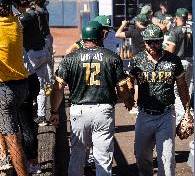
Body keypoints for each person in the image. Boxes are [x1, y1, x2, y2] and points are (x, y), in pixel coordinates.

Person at [50, 21, 134, 176]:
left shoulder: (70, 58)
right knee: (103, 158)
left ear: (84, 37)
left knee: (77, 154)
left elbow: (58, 88)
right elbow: (122, 88)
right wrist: (128, 100)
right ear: (100, 36)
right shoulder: (112, 57)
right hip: (103, 110)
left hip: (79, 110)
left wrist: (54, 111)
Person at [129, 24, 190, 176]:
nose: (152, 45)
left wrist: (187, 112)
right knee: (142, 157)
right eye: (149, 42)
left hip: (166, 115)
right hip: (144, 114)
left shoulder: (173, 60)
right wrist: (130, 99)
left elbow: (182, 86)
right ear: (144, 42)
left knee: (167, 159)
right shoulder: (137, 60)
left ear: (161, 40)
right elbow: (129, 82)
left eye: (156, 41)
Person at [0, 0, 29, 176]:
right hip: (21, 85)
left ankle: (21, 173)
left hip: (5, 88)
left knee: (13, 140)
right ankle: (3, 157)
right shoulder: (16, 22)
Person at [13, 0, 52, 126]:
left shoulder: (25, 16)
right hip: (42, 51)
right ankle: (41, 116)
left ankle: (26, 112)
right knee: (41, 86)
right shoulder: (38, 12)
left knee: (25, 83)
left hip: (32, 55)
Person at [164, 8, 193, 125]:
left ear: (176, 18)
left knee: (176, 90)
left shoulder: (175, 31)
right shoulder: (192, 29)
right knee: (188, 89)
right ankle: (188, 113)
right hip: (190, 61)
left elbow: (170, 50)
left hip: (179, 63)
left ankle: (181, 118)